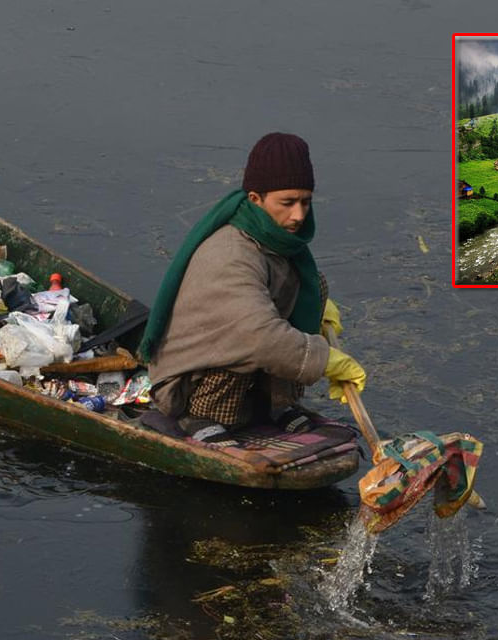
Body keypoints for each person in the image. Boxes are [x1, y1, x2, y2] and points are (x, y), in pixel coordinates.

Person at [138, 132, 367, 440]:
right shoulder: (231, 254)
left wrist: (317, 307)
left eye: (305, 202)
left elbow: (293, 292)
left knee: (312, 288)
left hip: (244, 347)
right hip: (189, 382)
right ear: (255, 199)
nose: (298, 215)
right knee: (249, 338)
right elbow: (258, 337)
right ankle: (199, 416)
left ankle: (273, 405)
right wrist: (326, 360)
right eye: (286, 203)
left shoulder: (275, 240)